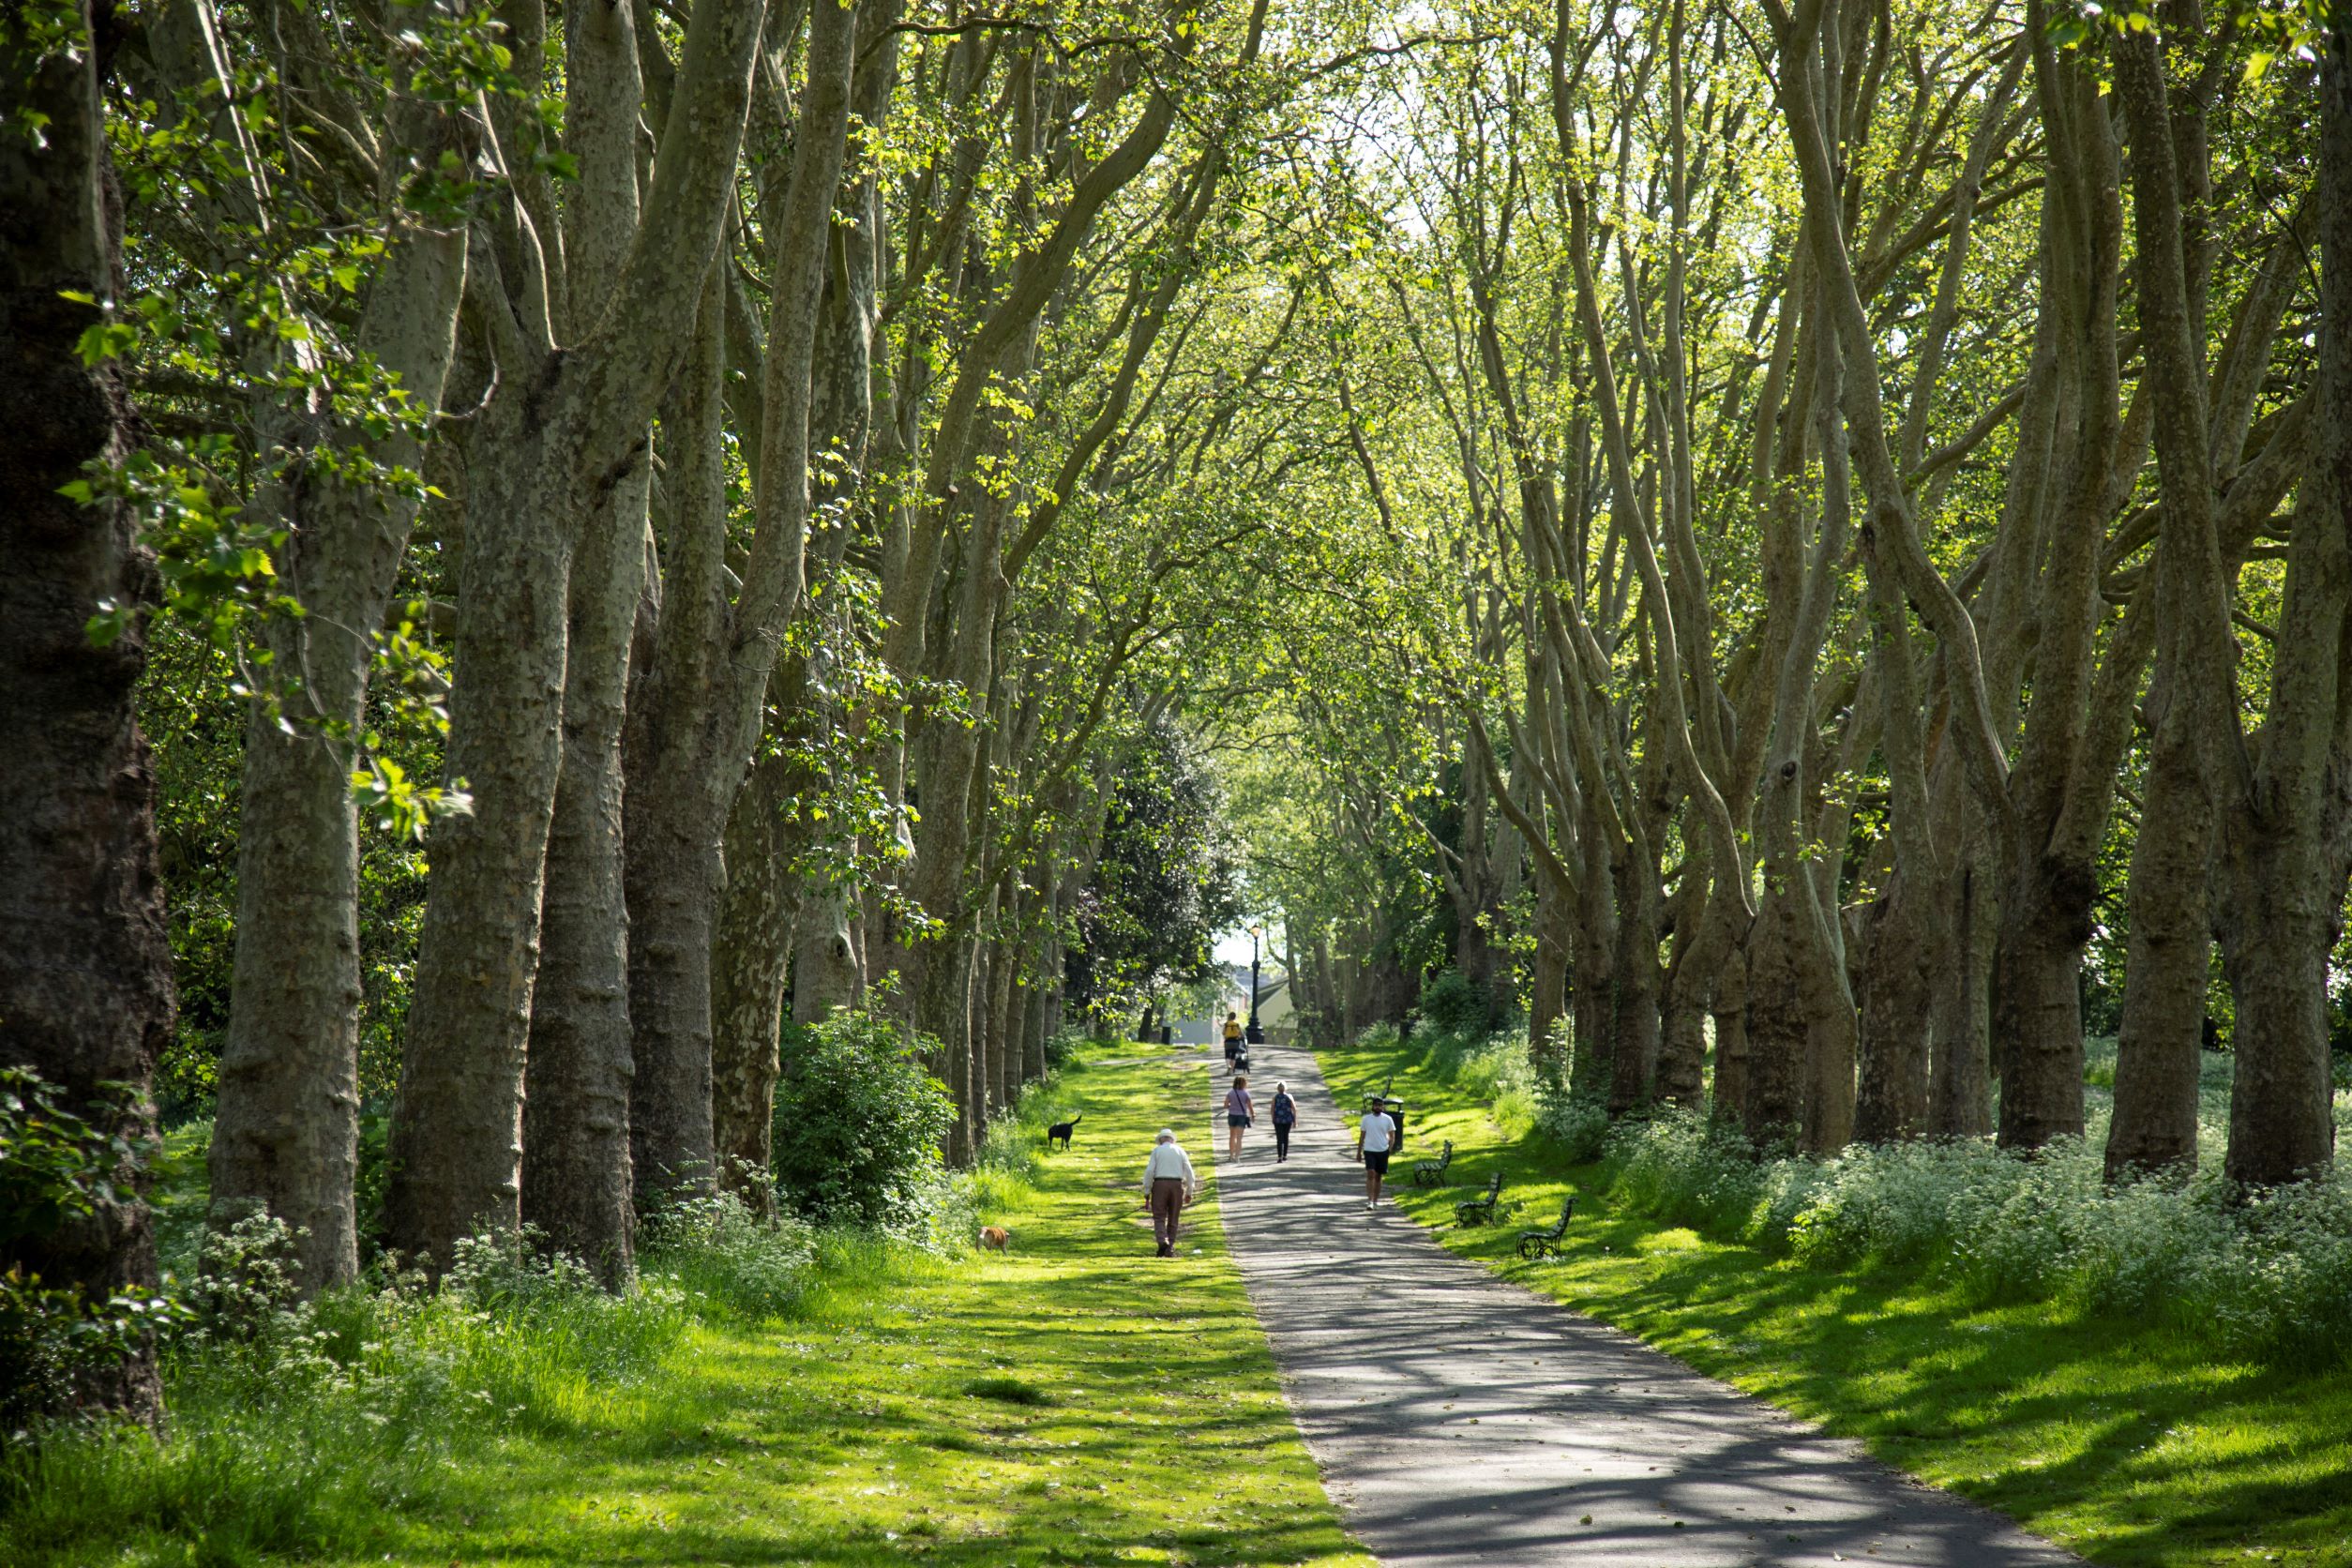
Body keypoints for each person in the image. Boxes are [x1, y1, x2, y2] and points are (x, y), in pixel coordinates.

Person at [1141, 1128, 1199, 1257]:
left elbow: (1150, 1171)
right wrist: (1189, 1191)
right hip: (1176, 1185)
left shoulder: (1157, 1151)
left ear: (1161, 1140)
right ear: (1172, 1139)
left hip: (1160, 1184)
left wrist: (1147, 1190)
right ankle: (1170, 1247)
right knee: (1174, 1217)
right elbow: (1189, 1173)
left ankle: (1162, 1241)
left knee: (1159, 1216)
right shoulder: (1180, 1151)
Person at [1356, 1099, 1398, 1210]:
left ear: (1383, 1107)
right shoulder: (1366, 1119)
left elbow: (1392, 1135)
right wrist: (1359, 1152)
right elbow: (1362, 1136)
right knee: (1371, 1173)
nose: (1378, 1107)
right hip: (1369, 1150)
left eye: (1380, 1105)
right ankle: (1369, 1201)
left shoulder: (1388, 1119)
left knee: (1379, 1176)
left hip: (1383, 1150)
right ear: (1373, 1106)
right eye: (1376, 1105)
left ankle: (1375, 1200)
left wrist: (1389, 1149)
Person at [1224, 1074, 1254, 1158]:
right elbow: (1250, 1106)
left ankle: (1231, 1155)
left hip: (1232, 1115)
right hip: (1241, 1116)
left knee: (1232, 1136)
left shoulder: (1230, 1093)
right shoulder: (1246, 1094)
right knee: (1239, 1138)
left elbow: (1225, 1105)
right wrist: (1253, 1114)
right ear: (1243, 1084)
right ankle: (1237, 1156)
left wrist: (1231, 1106)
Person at [1270, 1080, 1297, 1163]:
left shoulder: (1275, 1097)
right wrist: (1295, 1121)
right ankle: (1285, 1155)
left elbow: (1272, 1109)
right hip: (1287, 1119)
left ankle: (1279, 1157)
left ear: (1277, 1089)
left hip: (1278, 1120)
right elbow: (1294, 1109)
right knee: (1286, 1137)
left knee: (1279, 1138)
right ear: (1285, 1088)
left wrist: (1273, 1118)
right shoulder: (1289, 1097)